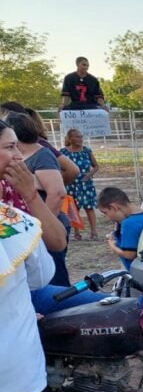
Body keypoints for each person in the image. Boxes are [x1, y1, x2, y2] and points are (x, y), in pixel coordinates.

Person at [0, 118, 66, 392]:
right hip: (11, 367)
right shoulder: (13, 222)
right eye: (7, 148)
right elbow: (44, 270)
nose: (16, 155)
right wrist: (29, 200)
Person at [3, 113, 70, 286]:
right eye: (10, 147)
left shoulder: (14, 186)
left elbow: (58, 242)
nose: (19, 155)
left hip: (27, 290)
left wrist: (30, 194)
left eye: (17, 147)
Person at [97, 187, 143, 271]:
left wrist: (112, 245)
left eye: (105, 213)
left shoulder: (128, 224)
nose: (107, 218)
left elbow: (129, 254)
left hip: (136, 272)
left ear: (114, 207)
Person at [60, 128, 100, 240]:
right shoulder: (63, 152)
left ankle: (94, 232)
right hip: (71, 184)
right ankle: (76, 233)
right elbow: (60, 167)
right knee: (73, 208)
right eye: (77, 137)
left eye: (81, 136)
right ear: (70, 138)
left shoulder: (87, 151)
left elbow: (96, 166)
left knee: (89, 207)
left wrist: (89, 174)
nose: (80, 139)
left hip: (86, 184)